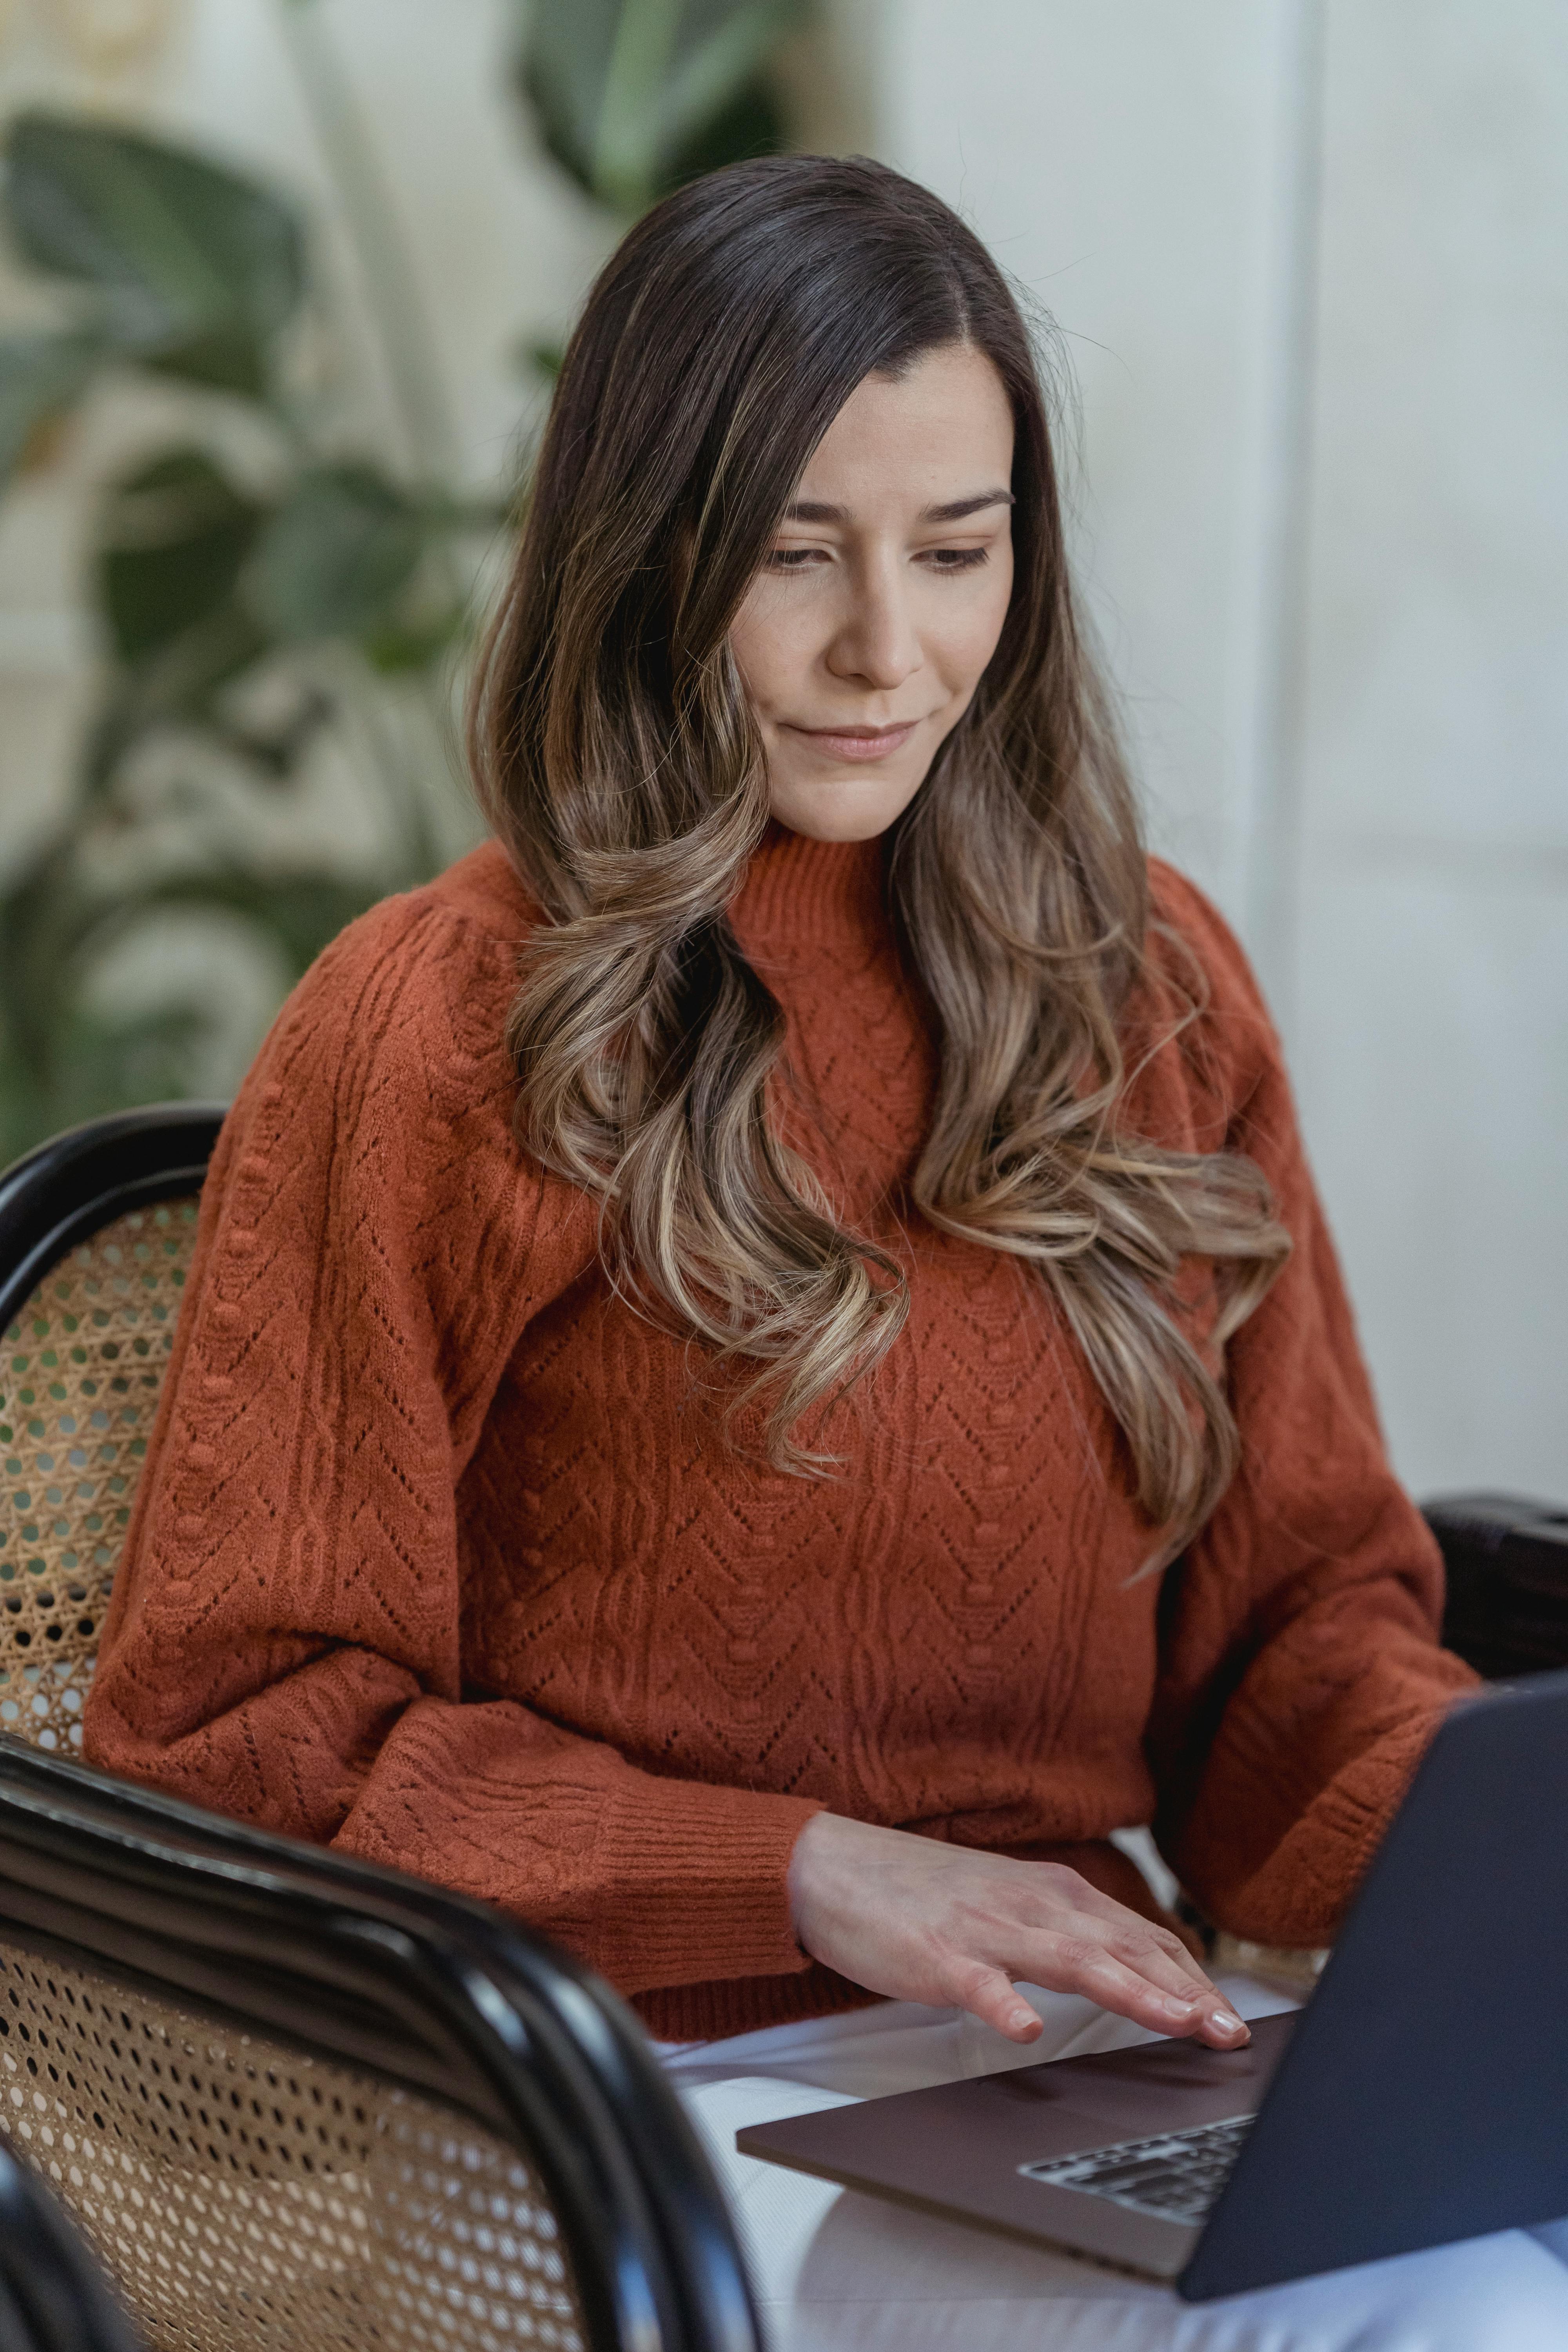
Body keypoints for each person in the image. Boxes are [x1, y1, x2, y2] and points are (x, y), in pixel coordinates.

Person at [83, 155, 1473, 2062]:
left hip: (1083, 2042)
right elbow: (239, 1744)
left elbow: (1295, 1644)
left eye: (957, 552)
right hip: (610, 2089)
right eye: (795, 553)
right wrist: (809, 1870)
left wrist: (1474, 1822)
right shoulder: (438, 1023)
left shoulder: (1148, 987)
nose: (885, 655)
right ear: (649, 549)